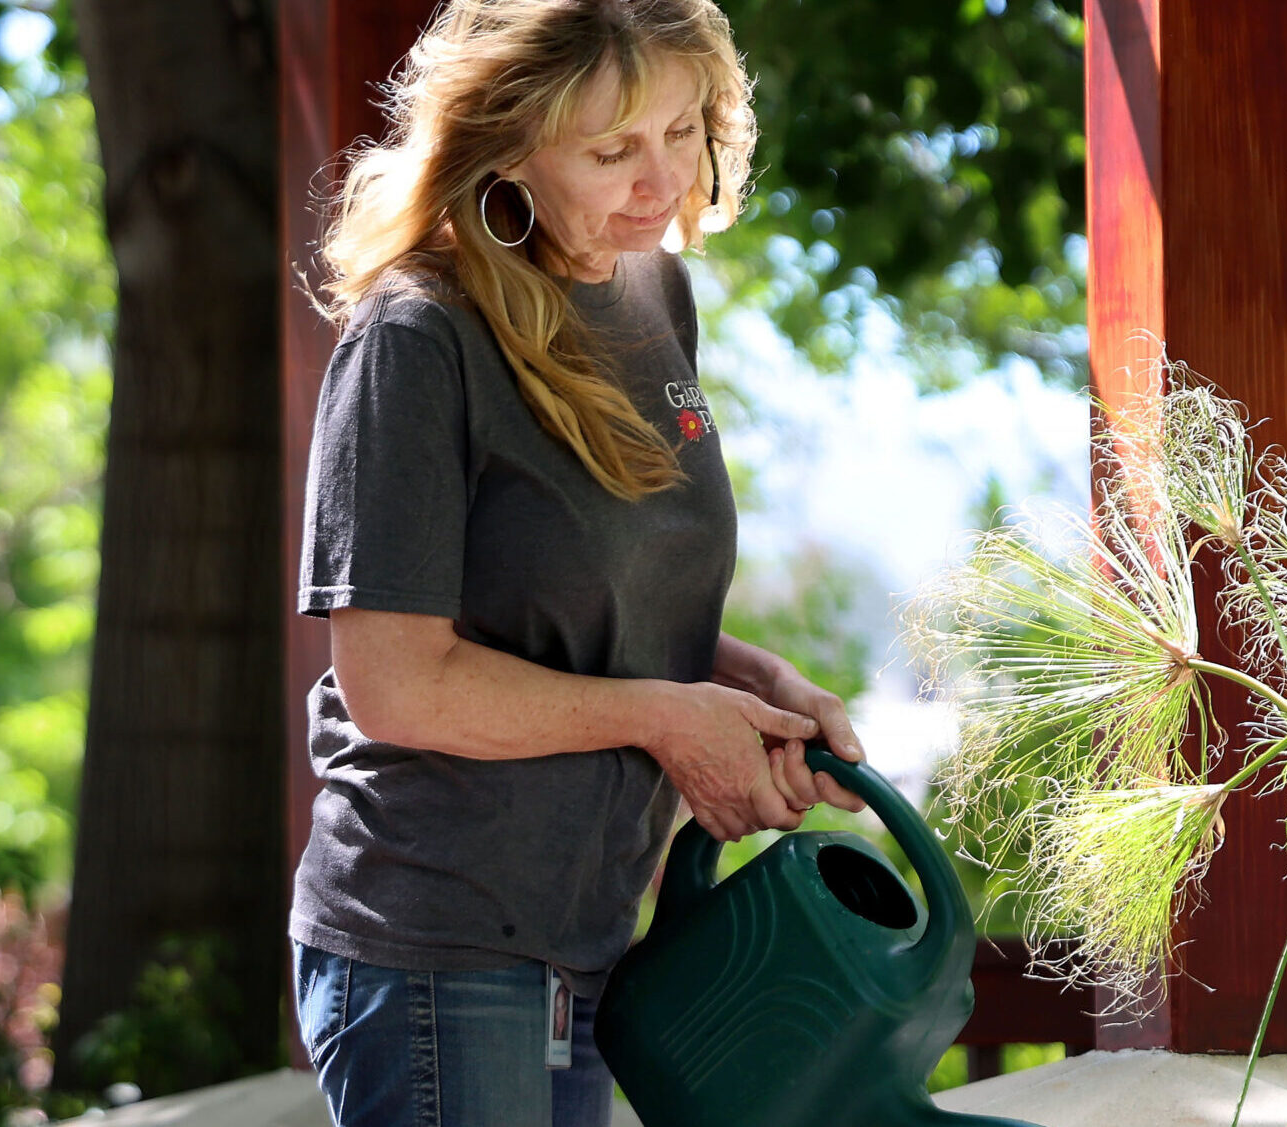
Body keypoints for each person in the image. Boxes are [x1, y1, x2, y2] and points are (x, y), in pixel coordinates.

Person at [288, 2, 867, 1124]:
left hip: (596, 935)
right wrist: (664, 716)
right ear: (507, 143)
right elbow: (396, 682)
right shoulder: (418, 335)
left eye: (684, 130)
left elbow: (594, 601)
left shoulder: (654, 292)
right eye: (610, 150)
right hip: (435, 942)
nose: (659, 181)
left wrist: (757, 690)